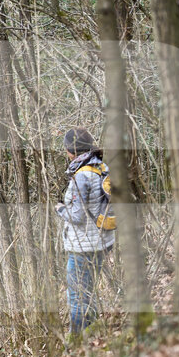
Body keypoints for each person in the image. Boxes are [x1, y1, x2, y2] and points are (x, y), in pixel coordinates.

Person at [55, 127, 115, 336]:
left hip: (84, 245)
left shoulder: (82, 175)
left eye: (66, 149)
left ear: (72, 150)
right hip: (103, 241)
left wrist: (60, 209)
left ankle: (76, 344)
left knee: (77, 297)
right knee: (87, 293)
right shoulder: (102, 166)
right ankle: (92, 337)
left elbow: (78, 216)